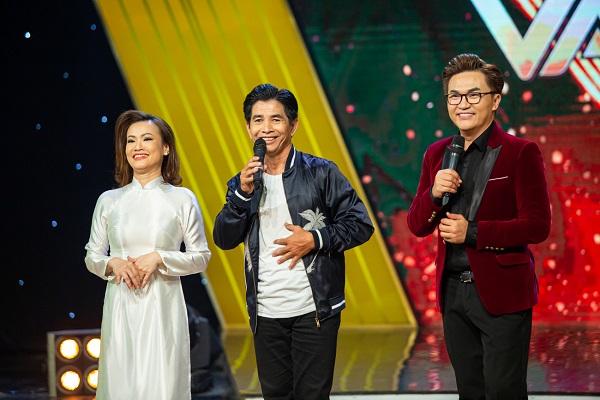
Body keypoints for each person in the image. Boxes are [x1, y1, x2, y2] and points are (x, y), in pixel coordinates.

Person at [213, 83, 374, 399]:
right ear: (248, 128)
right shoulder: (243, 182)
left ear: (293, 125)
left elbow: (360, 224)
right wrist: (241, 195)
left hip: (313, 310)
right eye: (258, 120)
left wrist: (314, 239)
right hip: (265, 312)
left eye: (276, 119)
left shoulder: (322, 172)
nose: (266, 128)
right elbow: (223, 238)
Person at [407, 53, 551, 399]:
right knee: (470, 390)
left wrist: (472, 232)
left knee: (503, 391)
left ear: (495, 100)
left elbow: (537, 226)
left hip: (502, 292)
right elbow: (417, 225)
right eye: (454, 96)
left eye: (474, 95)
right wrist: (433, 193)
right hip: (453, 292)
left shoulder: (520, 152)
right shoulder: (436, 154)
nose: (463, 104)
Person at [84, 110, 211, 400]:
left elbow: (201, 256)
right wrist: (113, 263)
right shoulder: (109, 200)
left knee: (162, 385)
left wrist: (160, 258)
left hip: (162, 306)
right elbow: (92, 255)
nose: (137, 146)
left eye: (146, 139)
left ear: (165, 148)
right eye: (131, 141)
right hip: (120, 305)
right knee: (120, 384)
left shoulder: (182, 199)